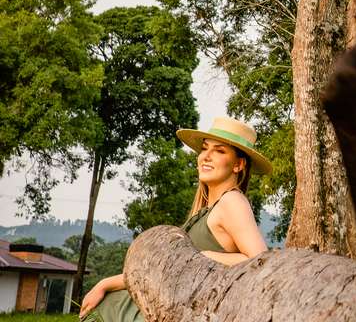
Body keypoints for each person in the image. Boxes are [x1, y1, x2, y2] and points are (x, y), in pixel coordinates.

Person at [79, 118, 272, 321]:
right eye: (205, 148)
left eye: (219, 151)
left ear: (239, 164)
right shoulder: (207, 209)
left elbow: (260, 261)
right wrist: (105, 283)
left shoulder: (232, 201)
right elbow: (165, 271)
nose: (205, 156)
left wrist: (204, 256)